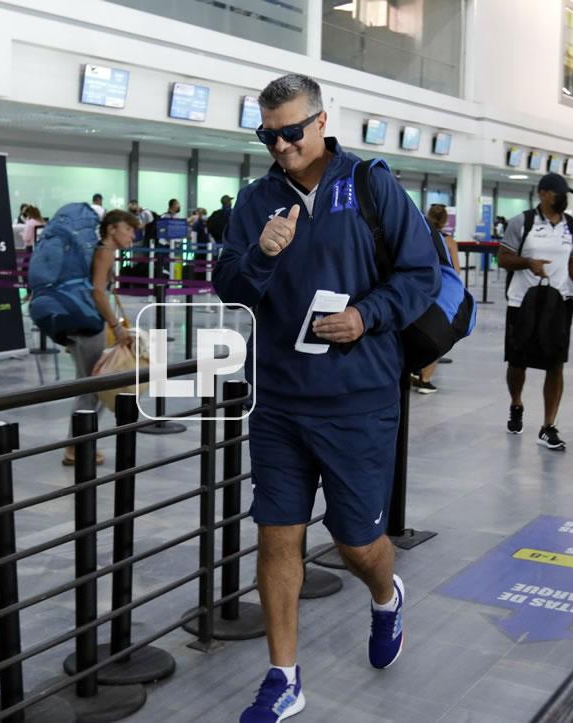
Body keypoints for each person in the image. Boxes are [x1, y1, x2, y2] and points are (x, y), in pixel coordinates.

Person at [212, 73, 438, 722]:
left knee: (353, 541)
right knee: (276, 537)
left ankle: (386, 593)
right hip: (279, 399)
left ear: (320, 122)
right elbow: (228, 289)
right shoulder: (255, 202)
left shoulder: (370, 184)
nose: (280, 146)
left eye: (290, 133)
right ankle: (284, 676)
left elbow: (419, 274)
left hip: (358, 399)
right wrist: (259, 255)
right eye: (268, 135)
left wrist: (368, 315)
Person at [499, 172, 573, 450]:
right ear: (543, 193)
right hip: (523, 302)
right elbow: (503, 258)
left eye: (565, 195)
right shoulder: (521, 222)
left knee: (556, 364)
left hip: (558, 304)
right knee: (517, 361)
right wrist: (528, 263)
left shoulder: (571, 225)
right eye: (559, 193)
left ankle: (548, 426)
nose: (563, 199)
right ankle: (516, 403)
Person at [62, 209, 140, 467]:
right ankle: (76, 447)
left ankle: (80, 443)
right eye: (127, 229)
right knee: (91, 388)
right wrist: (115, 325)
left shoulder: (105, 250)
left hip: (85, 324)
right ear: (111, 229)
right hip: (89, 326)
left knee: (92, 385)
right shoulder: (105, 251)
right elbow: (97, 292)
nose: (132, 234)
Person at [413, 204, 461, 394]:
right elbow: (455, 270)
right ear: (444, 220)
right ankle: (425, 379)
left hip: (418, 289)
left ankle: (414, 369)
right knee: (435, 333)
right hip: (440, 293)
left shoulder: (418, 236)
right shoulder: (449, 242)